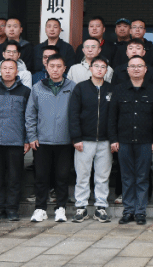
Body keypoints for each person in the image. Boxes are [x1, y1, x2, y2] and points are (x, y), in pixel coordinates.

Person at [109, 56, 153, 225]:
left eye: (140, 66)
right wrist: (113, 139)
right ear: (127, 70)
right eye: (133, 66)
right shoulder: (119, 89)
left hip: (145, 141)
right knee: (126, 177)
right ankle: (128, 211)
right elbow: (112, 117)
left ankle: (140, 212)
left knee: (142, 177)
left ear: (145, 69)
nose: (136, 69)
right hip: (124, 141)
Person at [25, 54, 77, 223]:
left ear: (64, 68)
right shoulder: (37, 88)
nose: (55, 69)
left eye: (59, 66)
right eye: (52, 66)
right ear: (46, 68)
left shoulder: (72, 87)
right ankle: (40, 208)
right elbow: (30, 114)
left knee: (62, 176)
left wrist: (75, 136)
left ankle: (61, 208)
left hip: (65, 140)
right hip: (42, 140)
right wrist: (32, 136)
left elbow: (77, 114)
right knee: (41, 176)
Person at [0, 58, 31, 222]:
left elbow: (29, 118)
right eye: (5, 68)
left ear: (17, 71)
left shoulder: (25, 92)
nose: (8, 71)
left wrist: (27, 139)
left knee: (14, 177)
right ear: (0, 71)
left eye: (11, 68)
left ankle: (12, 209)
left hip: (16, 141)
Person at [69, 57, 113, 223]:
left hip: (105, 141)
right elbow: (73, 114)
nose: (100, 69)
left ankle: (101, 207)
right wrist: (76, 138)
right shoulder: (81, 88)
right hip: (84, 140)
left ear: (106, 70)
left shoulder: (111, 89)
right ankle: (81, 207)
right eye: (96, 66)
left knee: (102, 176)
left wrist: (113, 139)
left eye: (103, 67)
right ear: (91, 68)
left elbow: (114, 116)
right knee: (82, 175)